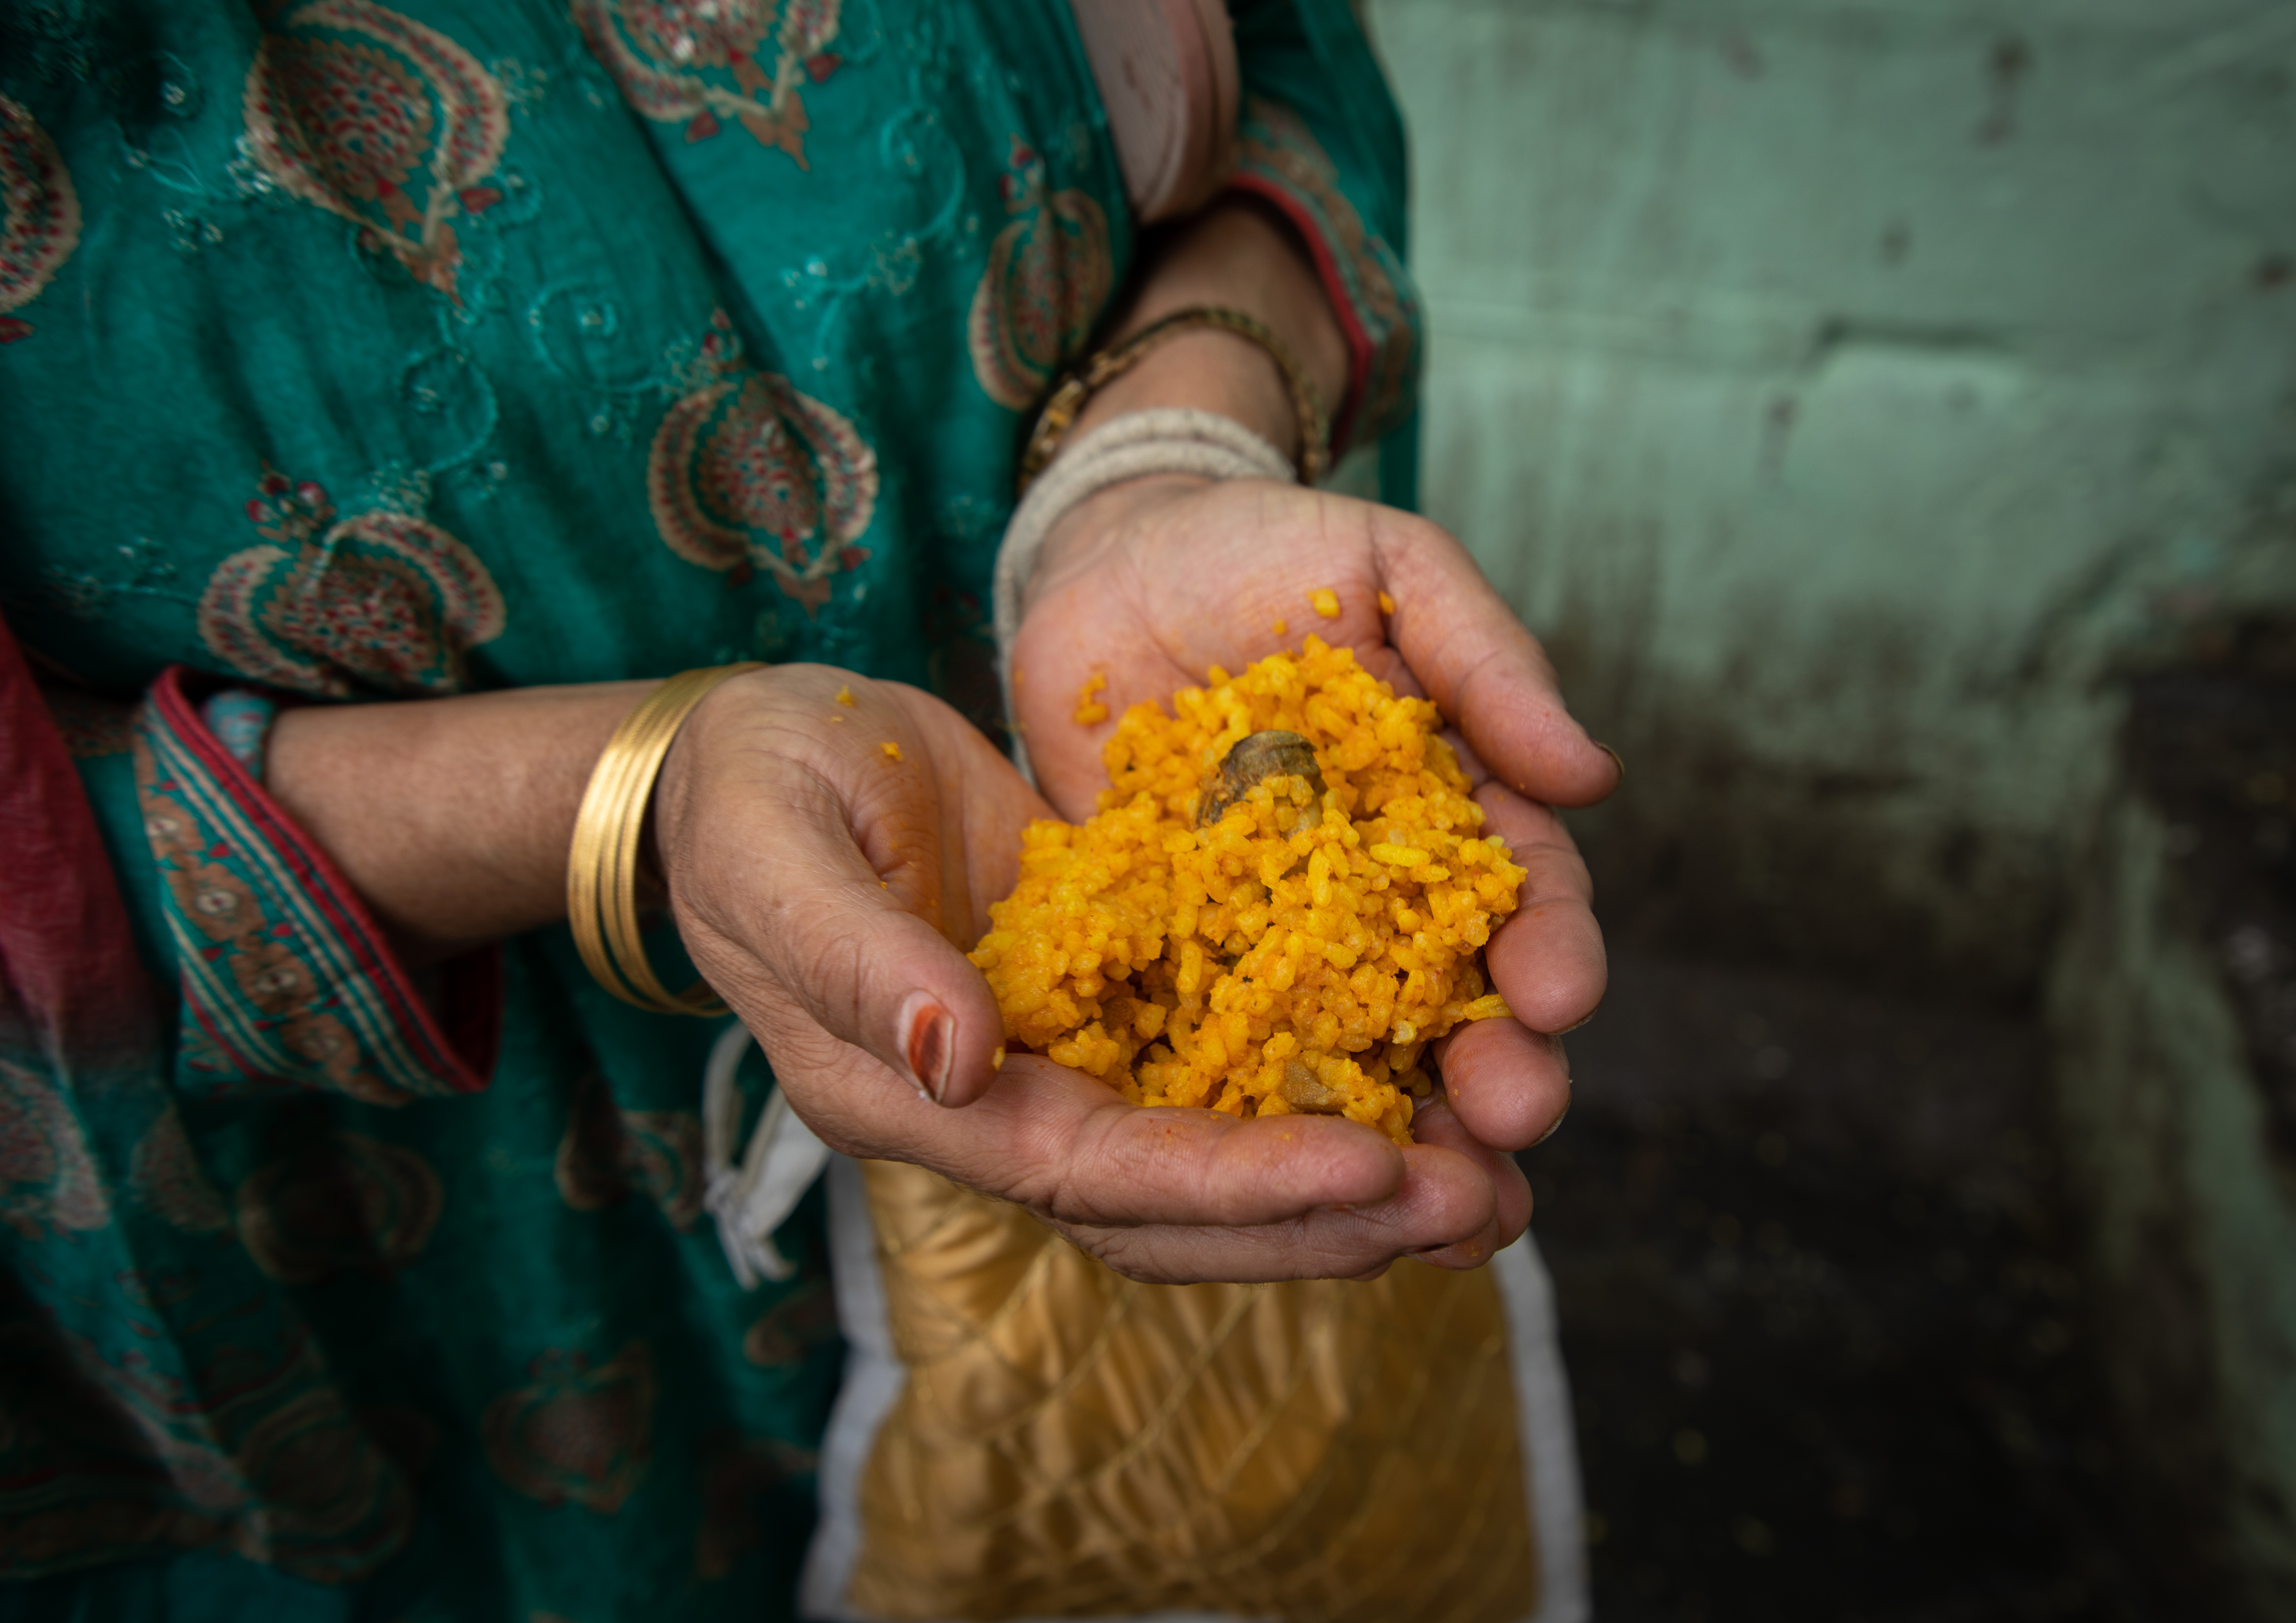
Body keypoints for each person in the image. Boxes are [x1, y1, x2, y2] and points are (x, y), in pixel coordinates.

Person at [0, 0, 1617, 1614]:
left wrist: (1158, 454)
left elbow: (1287, 64)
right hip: (472, 1202)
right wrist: (640, 797)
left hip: (1115, 735)